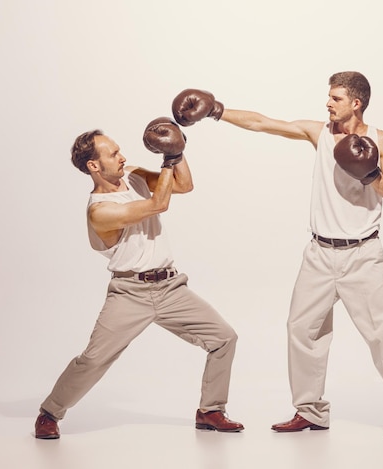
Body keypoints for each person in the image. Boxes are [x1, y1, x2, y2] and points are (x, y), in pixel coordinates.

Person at [170, 72, 383, 437]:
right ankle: (310, 410)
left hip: (362, 255)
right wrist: (216, 110)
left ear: (356, 103)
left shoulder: (381, 139)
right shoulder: (318, 132)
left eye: (335, 98)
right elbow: (264, 124)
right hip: (319, 253)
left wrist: (369, 175)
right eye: (329, 97)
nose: (328, 103)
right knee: (301, 329)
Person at [34, 117, 244, 439]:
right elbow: (158, 204)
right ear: (93, 165)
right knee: (92, 360)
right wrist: (166, 157)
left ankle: (210, 410)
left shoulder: (133, 176)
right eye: (113, 153)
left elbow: (184, 186)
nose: (122, 157)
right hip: (130, 293)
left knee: (224, 337)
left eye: (119, 150)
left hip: (171, 287)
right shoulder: (99, 210)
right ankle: (50, 412)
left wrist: (177, 153)